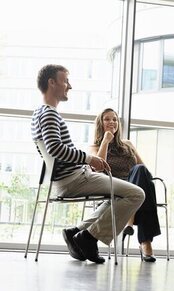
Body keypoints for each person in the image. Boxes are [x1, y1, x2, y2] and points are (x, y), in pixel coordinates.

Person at [31, 64, 145, 264]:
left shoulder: (39, 113)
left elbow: (51, 150)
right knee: (137, 194)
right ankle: (88, 237)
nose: (70, 86)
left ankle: (76, 232)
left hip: (69, 178)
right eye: (65, 81)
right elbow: (55, 149)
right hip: (74, 180)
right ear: (52, 82)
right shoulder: (49, 114)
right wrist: (89, 159)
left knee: (116, 197)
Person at [89, 108, 161, 262]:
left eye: (114, 119)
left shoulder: (127, 144)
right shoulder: (94, 147)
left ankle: (131, 220)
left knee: (140, 172)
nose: (112, 122)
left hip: (135, 184)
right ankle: (145, 242)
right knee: (144, 189)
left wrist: (137, 177)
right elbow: (97, 168)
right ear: (100, 123)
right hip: (114, 187)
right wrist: (106, 141)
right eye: (107, 119)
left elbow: (144, 169)